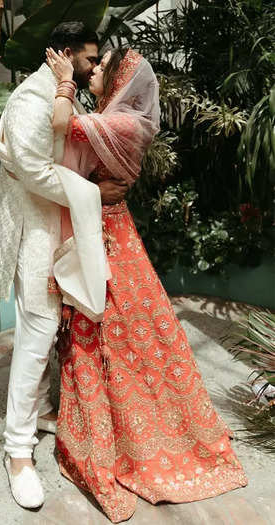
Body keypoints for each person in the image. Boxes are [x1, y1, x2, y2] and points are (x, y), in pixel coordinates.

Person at [45, 46, 248, 522]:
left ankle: (136, 427)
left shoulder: (123, 124)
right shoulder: (115, 116)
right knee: (126, 322)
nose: (93, 70)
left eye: (101, 67)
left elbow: (61, 126)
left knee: (115, 321)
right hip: (108, 222)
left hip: (108, 230)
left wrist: (62, 82)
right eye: (91, 64)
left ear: (119, 80)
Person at [0, 21, 129, 509]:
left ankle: (42, 410)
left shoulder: (60, 92)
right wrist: (94, 192)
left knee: (51, 330)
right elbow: (34, 171)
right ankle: (17, 453)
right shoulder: (30, 100)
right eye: (90, 60)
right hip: (36, 234)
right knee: (38, 332)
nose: (95, 69)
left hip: (57, 226)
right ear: (66, 54)